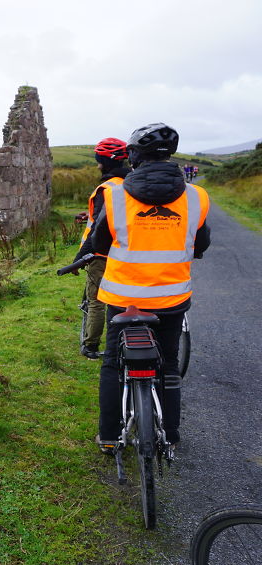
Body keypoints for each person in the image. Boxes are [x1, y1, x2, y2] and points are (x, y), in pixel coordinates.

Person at [89, 123, 211, 454]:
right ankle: (170, 435)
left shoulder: (114, 195)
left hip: (123, 297)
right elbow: (201, 244)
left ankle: (110, 437)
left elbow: (100, 244)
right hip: (172, 297)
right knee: (168, 364)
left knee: (114, 364)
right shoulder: (196, 196)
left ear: (134, 157)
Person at [72, 138, 132, 359]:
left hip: (100, 253)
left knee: (96, 301)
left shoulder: (105, 188)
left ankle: (90, 346)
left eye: (98, 161)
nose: (97, 165)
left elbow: (99, 226)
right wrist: (89, 214)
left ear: (104, 162)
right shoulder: (132, 183)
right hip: (125, 252)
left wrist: (80, 258)